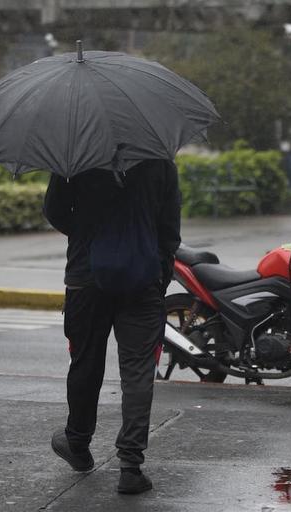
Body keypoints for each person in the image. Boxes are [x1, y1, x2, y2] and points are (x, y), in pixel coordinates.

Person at [43, 160, 181, 494]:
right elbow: (169, 229)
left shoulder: (73, 154)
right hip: (142, 275)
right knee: (138, 371)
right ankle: (130, 466)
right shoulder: (158, 158)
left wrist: (86, 230)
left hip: (85, 276)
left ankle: (76, 441)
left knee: (86, 361)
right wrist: (160, 275)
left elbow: (55, 210)